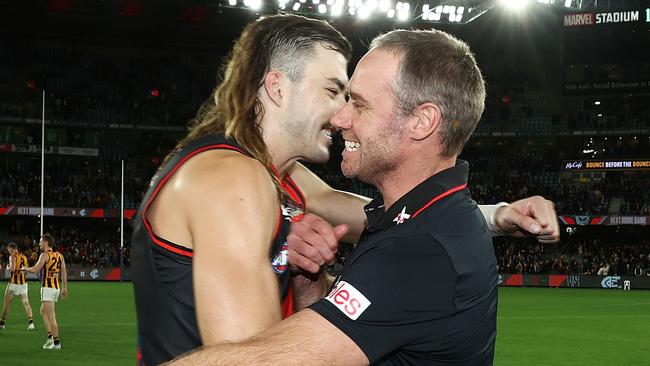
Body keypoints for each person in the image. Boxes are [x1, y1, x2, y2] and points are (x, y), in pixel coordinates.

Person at [132, 14, 559, 366]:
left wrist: (497, 216)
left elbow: (263, 357)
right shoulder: (242, 177)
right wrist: (309, 280)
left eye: (354, 99)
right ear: (278, 87)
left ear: (422, 121)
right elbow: (353, 211)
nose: (341, 116)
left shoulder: (276, 179)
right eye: (336, 91)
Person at [22, 234, 68, 350]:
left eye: (40, 242)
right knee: (42, 311)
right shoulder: (59, 255)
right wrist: (64, 288)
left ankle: (56, 343)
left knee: (51, 316)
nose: (39, 244)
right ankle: (50, 336)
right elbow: (63, 272)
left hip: (47, 288)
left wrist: (25, 268)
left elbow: (35, 269)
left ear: (46, 242)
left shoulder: (44, 255)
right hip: (56, 288)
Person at [0, 242, 35, 330]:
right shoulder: (24, 257)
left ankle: (2, 323)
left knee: (7, 304)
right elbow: (26, 272)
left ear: (12, 249)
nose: (8, 252)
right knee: (26, 303)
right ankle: (31, 323)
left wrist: (8, 267)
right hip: (23, 284)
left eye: (9, 250)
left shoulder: (12, 256)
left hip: (13, 284)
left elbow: (12, 269)